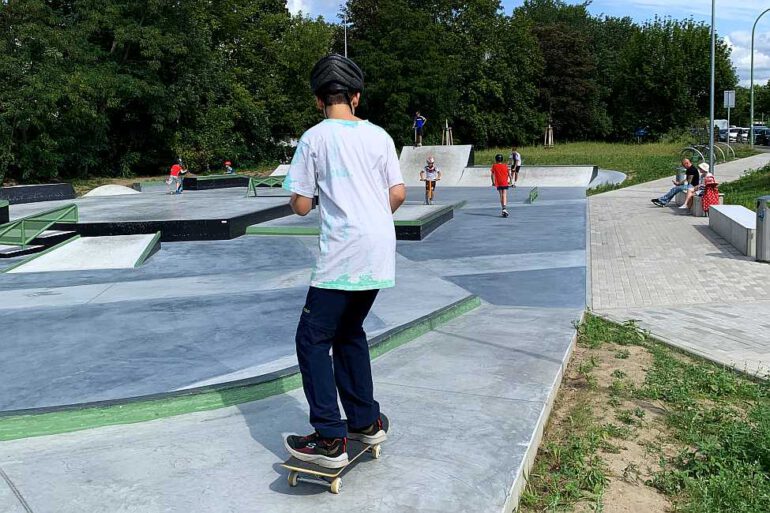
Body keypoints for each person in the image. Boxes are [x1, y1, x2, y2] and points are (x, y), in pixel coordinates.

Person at [282, 54, 406, 469]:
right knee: (350, 330)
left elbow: (300, 205)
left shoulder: (314, 138)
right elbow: (399, 193)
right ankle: (365, 420)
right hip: (379, 248)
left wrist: (313, 193)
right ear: (355, 97)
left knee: (312, 338)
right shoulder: (380, 136)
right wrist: (371, 217)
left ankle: (330, 437)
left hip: (342, 252)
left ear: (320, 101)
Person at [491, 153, 510, 217]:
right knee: (504, 194)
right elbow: (509, 174)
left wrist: (493, 182)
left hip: (498, 183)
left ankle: (503, 209)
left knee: (501, 195)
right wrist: (511, 181)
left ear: (496, 159)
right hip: (504, 182)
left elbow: (492, 175)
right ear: (502, 159)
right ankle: (504, 208)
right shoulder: (505, 165)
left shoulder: (494, 166)